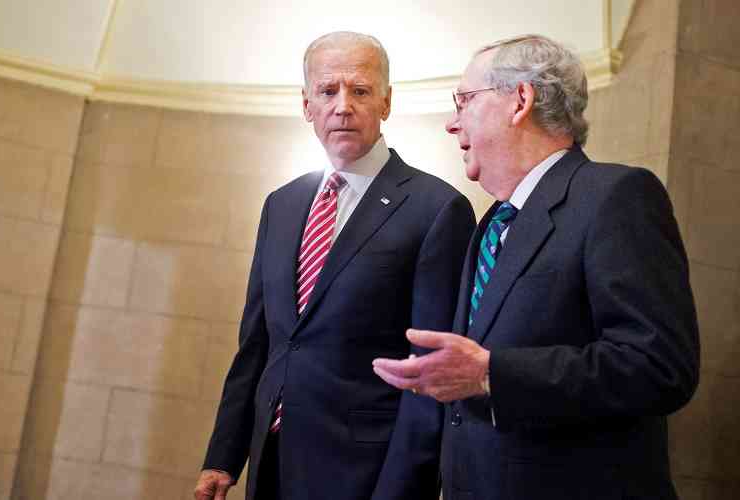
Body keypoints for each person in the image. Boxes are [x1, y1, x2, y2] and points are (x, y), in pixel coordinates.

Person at [373, 34, 699, 500]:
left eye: (464, 101)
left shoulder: (617, 197)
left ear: (520, 100)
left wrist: (491, 374)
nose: (451, 123)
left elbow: (659, 366)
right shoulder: (491, 222)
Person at [194, 31, 475, 500]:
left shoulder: (437, 209)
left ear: (386, 103)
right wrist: (224, 456)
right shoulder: (281, 204)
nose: (343, 105)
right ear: (307, 106)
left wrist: (403, 489)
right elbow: (258, 345)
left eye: (360, 91)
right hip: (272, 464)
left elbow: (430, 372)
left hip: (364, 473)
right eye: (328, 91)